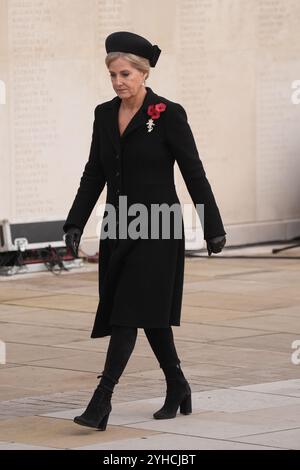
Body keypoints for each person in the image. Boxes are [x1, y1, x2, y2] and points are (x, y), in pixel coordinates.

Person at [63, 31, 226, 431]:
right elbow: (94, 172)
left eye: (125, 74)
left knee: (126, 314)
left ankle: (102, 401)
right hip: (118, 224)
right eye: (113, 75)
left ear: (143, 72)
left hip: (158, 226)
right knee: (147, 313)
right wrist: (74, 222)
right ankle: (178, 384)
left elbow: (193, 171)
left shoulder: (168, 114)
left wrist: (213, 226)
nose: (118, 82)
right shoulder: (104, 114)